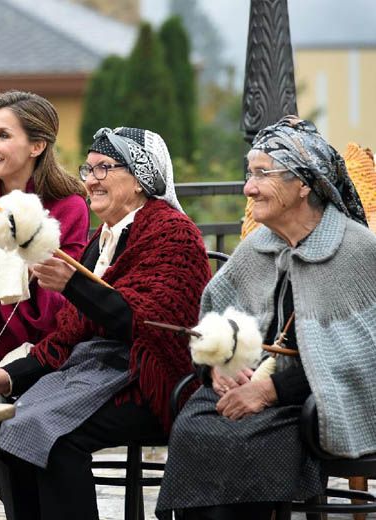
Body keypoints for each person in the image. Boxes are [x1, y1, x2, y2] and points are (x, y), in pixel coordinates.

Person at [0, 127, 211, 520]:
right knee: (3, 427)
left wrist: (74, 285)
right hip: (93, 372)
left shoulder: (173, 233)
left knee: (53, 437)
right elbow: (68, 336)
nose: (91, 180)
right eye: (88, 169)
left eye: (104, 168)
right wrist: (9, 376)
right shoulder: (104, 238)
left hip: (150, 378)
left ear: (140, 178)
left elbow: (150, 327)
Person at [156, 116, 376, 520]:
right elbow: (211, 326)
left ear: (304, 183)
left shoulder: (357, 251)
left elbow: (362, 359)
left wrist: (270, 391)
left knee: (245, 445)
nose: (248, 188)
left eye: (262, 174)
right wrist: (215, 367)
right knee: (193, 429)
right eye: (249, 173)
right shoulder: (256, 248)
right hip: (242, 389)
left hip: (312, 403)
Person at [0, 90, 90, 394]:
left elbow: (62, 313)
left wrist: (29, 265)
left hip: (44, 355)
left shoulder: (69, 207)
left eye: (2, 135)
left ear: (36, 146)